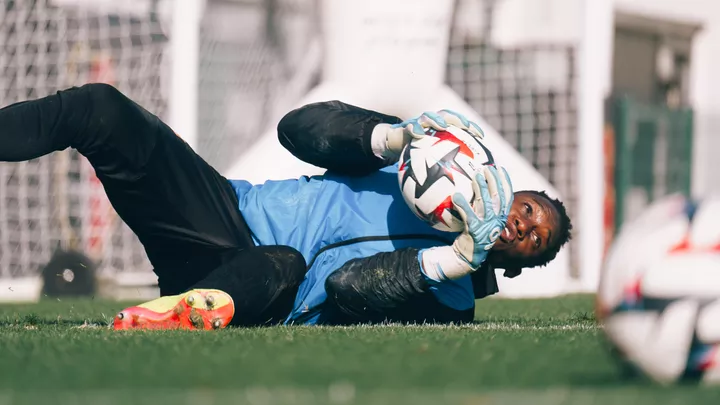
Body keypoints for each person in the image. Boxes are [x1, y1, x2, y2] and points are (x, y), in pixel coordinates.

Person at [0, 84, 572, 329]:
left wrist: (453, 260)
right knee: (101, 109)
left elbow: (349, 286)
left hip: (262, 292)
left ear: (518, 264)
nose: (522, 224)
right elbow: (295, 129)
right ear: (504, 185)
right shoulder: (401, 169)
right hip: (222, 212)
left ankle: (185, 316)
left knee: (283, 264)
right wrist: (395, 137)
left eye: (533, 237)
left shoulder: (451, 299)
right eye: (527, 209)